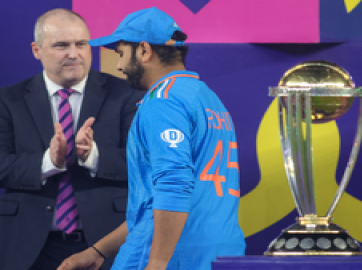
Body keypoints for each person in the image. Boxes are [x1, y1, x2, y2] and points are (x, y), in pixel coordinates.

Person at [57, 7, 246, 270]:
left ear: (144, 50)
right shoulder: (208, 98)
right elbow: (153, 206)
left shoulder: (163, 101)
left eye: (121, 54)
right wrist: (99, 250)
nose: (120, 65)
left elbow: (174, 186)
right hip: (220, 253)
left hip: (172, 255)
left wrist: (156, 264)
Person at [0, 8, 144, 270]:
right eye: (61, 45)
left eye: (81, 44)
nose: (74, 54)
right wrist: (48, 162)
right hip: (28, 245)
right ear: (37, 50)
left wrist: (93, 157)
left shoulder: (126, 95)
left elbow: (143, 164)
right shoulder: (8, 100)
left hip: (106, 243)